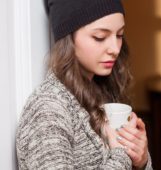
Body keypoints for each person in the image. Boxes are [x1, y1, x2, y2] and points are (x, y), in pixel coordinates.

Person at [16, 0, 153, 169]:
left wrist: (141, 161)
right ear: (68, 37)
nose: (115, 48)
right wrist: (121, 155)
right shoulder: (48, 108)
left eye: (119, 35)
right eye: (100, 37)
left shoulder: (104, 92)